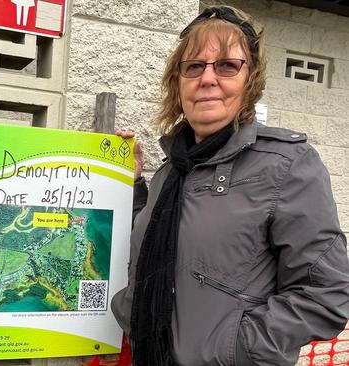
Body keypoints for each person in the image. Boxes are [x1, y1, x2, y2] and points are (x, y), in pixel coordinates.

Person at [110, 5, 349, 366]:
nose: (208, 78)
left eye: (226, 65)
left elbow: (326, 294)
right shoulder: (172, 171)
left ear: (249, 80)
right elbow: (152, 250)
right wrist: (133, 186)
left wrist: (233, 349)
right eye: (194, 66)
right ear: (178, 83)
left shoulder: (287, 165)